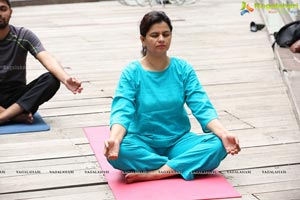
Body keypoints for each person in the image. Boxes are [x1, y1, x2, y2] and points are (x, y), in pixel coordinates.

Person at [104, 11, 240, 184]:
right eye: (154, 35)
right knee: (118, 153)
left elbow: (202, 106)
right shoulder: (131, 72)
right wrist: (115, 140)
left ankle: (156, 172)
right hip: (142, 142)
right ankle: (180, 167)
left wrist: (224, 133)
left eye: (166, 34)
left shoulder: (182, 69)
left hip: (179, 141)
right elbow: (122, 109)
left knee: (218, 144)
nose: (161, 39)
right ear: (143, 39)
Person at [0, 0, 83, 125]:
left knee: (52, 79)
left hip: (18, 98)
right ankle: (15, 116)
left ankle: (5, 116)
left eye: (3, 9)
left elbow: (45, 57)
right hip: (20, 105)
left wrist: (66, 79)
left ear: (10, 12)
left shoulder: (23, 35)